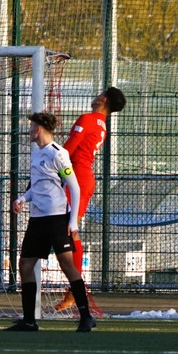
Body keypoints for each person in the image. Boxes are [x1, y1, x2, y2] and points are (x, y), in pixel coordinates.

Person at [6, 112, 95, 333]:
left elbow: (74, 187)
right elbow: (36, 187)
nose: (29, 130)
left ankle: (86, 316)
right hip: (37, 219)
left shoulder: (59, 154)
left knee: (67, 264)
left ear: (38, 129)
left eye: (31, 126)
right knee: (25, 265)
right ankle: (29, 321)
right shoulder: (36, 154)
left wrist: (73, 222)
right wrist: (22, 198)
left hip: (57, 219)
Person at [54, 86, 127, 314]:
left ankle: (76, 288)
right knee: (69, 230)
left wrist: (49, 166)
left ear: (103, 99)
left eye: (99, 93)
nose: (95, 96)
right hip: (82, 178)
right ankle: (75, 288)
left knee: (67, 231)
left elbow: (67, 150)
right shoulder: (101, 124)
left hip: (75, 178)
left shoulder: (87, 118)